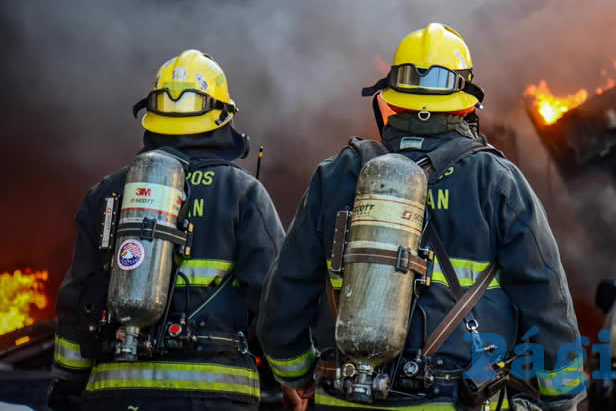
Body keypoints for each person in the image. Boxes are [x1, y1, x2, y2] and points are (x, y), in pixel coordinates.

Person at [257, 23, 586, 410]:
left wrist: (295, 373)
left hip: (346, 395)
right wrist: (562, 394)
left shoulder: (338, 175)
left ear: (389, 101)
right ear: (465, 104)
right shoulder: (495, 180)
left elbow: (286, 292)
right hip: (456, 397)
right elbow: (545, 295)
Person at [48, 50, 285, 411]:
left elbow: (78, 299)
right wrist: (292, 376)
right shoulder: (242, 193)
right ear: (221, 117)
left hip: (115, 392)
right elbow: (274, 298)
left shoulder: (108, 193)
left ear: (152, 117)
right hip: (213, 398)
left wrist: (67, 384)